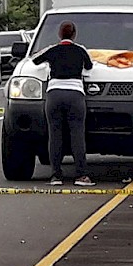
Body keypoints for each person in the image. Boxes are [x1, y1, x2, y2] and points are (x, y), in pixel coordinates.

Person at [32, 21, 95, 187]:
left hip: (54, 94)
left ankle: (56, 175)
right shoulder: (80, 50)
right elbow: (89, 67)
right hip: (75, 95)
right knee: (77, 135)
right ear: (74, 35)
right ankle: (81, 175)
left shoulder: (52, 50)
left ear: (59, 34)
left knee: (55, 135)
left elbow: (35, 60)